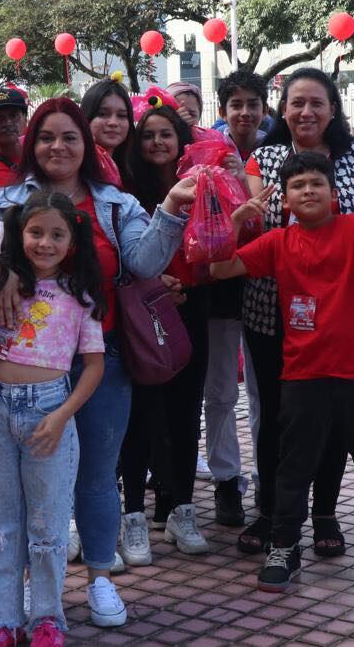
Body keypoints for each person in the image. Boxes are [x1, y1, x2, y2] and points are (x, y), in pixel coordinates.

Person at [0, 97, 192, 628]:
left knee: (98, 476)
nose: (57, 147)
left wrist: (170, 209)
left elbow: (145, 262)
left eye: (69, 137)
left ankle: (100, 577)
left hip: (99, 358)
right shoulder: (3, 200)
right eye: (46, 137)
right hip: (25, 370)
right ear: (32, 144)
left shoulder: (114, 203)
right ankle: (28, 596)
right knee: (20, 490)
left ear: (87, 145)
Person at [210, 152, 354, 592]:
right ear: (285, 202)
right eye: (298, 186)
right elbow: (219, 268)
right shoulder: (277, 242)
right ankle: (284, 546)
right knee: (292, 467)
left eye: (317, 183)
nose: (308, 191)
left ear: (335, 195)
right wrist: (236, 219)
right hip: (302, 375)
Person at [0, 190, 104, 647]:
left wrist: (62, 416)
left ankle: (47, 619)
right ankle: (2, 622)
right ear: (17, 234)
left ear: (72, 242)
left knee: (48, 524)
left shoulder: (79, 297)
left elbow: (94, 367)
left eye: (56, 234)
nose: (44, 243)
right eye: (35, 232)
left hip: (50, 413)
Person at [240, 68, 354, 558]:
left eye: (317, 103)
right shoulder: (266, 157)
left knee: (334, 416)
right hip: (273, 311)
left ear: (333, 109)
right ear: (283, 110)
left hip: (343, 310)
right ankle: (271, 509)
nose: (306, 112)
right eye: (296, 103)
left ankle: (326, 513)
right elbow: (255, 230)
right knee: (277, 415)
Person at [118, 106, 213, 566]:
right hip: (142, 313)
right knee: (141, 418)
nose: (157, 142)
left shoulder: (201, 184)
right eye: (149, 135)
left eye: (166, 135)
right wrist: (156, 287)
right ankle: (133, 512)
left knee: (184, 415)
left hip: (191, 310)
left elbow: (215, 243)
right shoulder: (126, 192)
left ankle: (180, 508)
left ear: (181, 141)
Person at [203, 71, 269, 527]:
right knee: (221, 389)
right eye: (236, 104)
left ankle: (268, 474)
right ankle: (226, 479)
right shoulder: (207, 151)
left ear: (265, 107)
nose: (244, 112)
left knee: (266, 390)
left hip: (266, 281)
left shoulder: (274, 150)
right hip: (221, 282)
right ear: (223, 109)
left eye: (253, 103)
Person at [81, 79, 134, 189]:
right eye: (103, 114)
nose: (113, 123)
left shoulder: (134, 169)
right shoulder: (72, 170)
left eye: (122, 115)